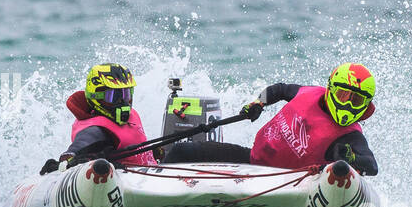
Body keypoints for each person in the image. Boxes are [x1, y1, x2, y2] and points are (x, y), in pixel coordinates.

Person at [163, 62, 378, 174]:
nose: (348, 104)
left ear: (366, 105)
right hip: (251, 163)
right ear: (330, 90)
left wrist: (350, 157)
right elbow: (279, 90)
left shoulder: (351, 136)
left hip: (289, 190)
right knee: (182, 151)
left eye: (357, 101)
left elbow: (371, 166)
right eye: (343, 95)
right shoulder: (308, 93)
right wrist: (258, 103)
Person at [40, 64, 156, 174]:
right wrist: (68, 160)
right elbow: (75, 150)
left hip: (152, 172)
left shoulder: (132, 115)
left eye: (126, 95)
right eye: (114, 96)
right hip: (126, 181)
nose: (123, 102)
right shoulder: (95, 129)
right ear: (96, 97)